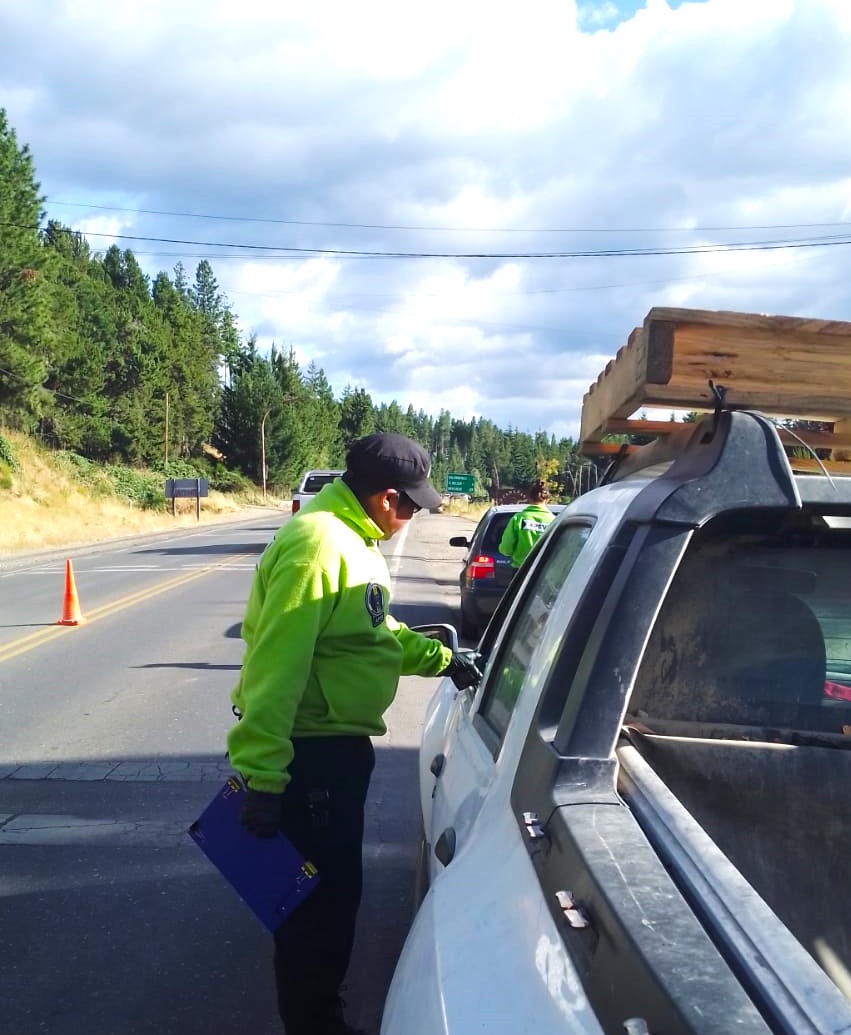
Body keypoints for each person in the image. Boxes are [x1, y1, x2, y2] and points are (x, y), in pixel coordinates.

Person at [226, 432, 480, 1035]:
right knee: (316, 915)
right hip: (310, 760)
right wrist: (263, 775)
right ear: (387, 498)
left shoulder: (352, 540)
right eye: (414, 505)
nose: (415, 515)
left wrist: (442, 659)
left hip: (332, 755)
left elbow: (371, 632)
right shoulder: (319, 546)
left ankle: (320, 1018)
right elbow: (275, 666)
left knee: (330, 906)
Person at [498, 479, 555, 568]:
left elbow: (506, 549)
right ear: (547, 499)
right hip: (544, 572)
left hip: (521, 571)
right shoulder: (554, 521)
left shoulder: (518, 519)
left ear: (530, 498)